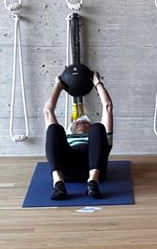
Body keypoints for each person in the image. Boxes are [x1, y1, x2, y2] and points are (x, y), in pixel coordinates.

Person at [43, 71, 113, 200]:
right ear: (70, 130)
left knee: (99, 126)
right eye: (76, 122)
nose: (80, 122)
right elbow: (48, 111)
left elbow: (107, 106)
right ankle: (58, 184)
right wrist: (58, 86)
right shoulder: (67, 139)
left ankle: (93, 183)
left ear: (89, 128)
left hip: (95, 169)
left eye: (85, 122)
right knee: (53, 129)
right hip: (67, 172)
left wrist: (97, 82)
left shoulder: (99, 138)